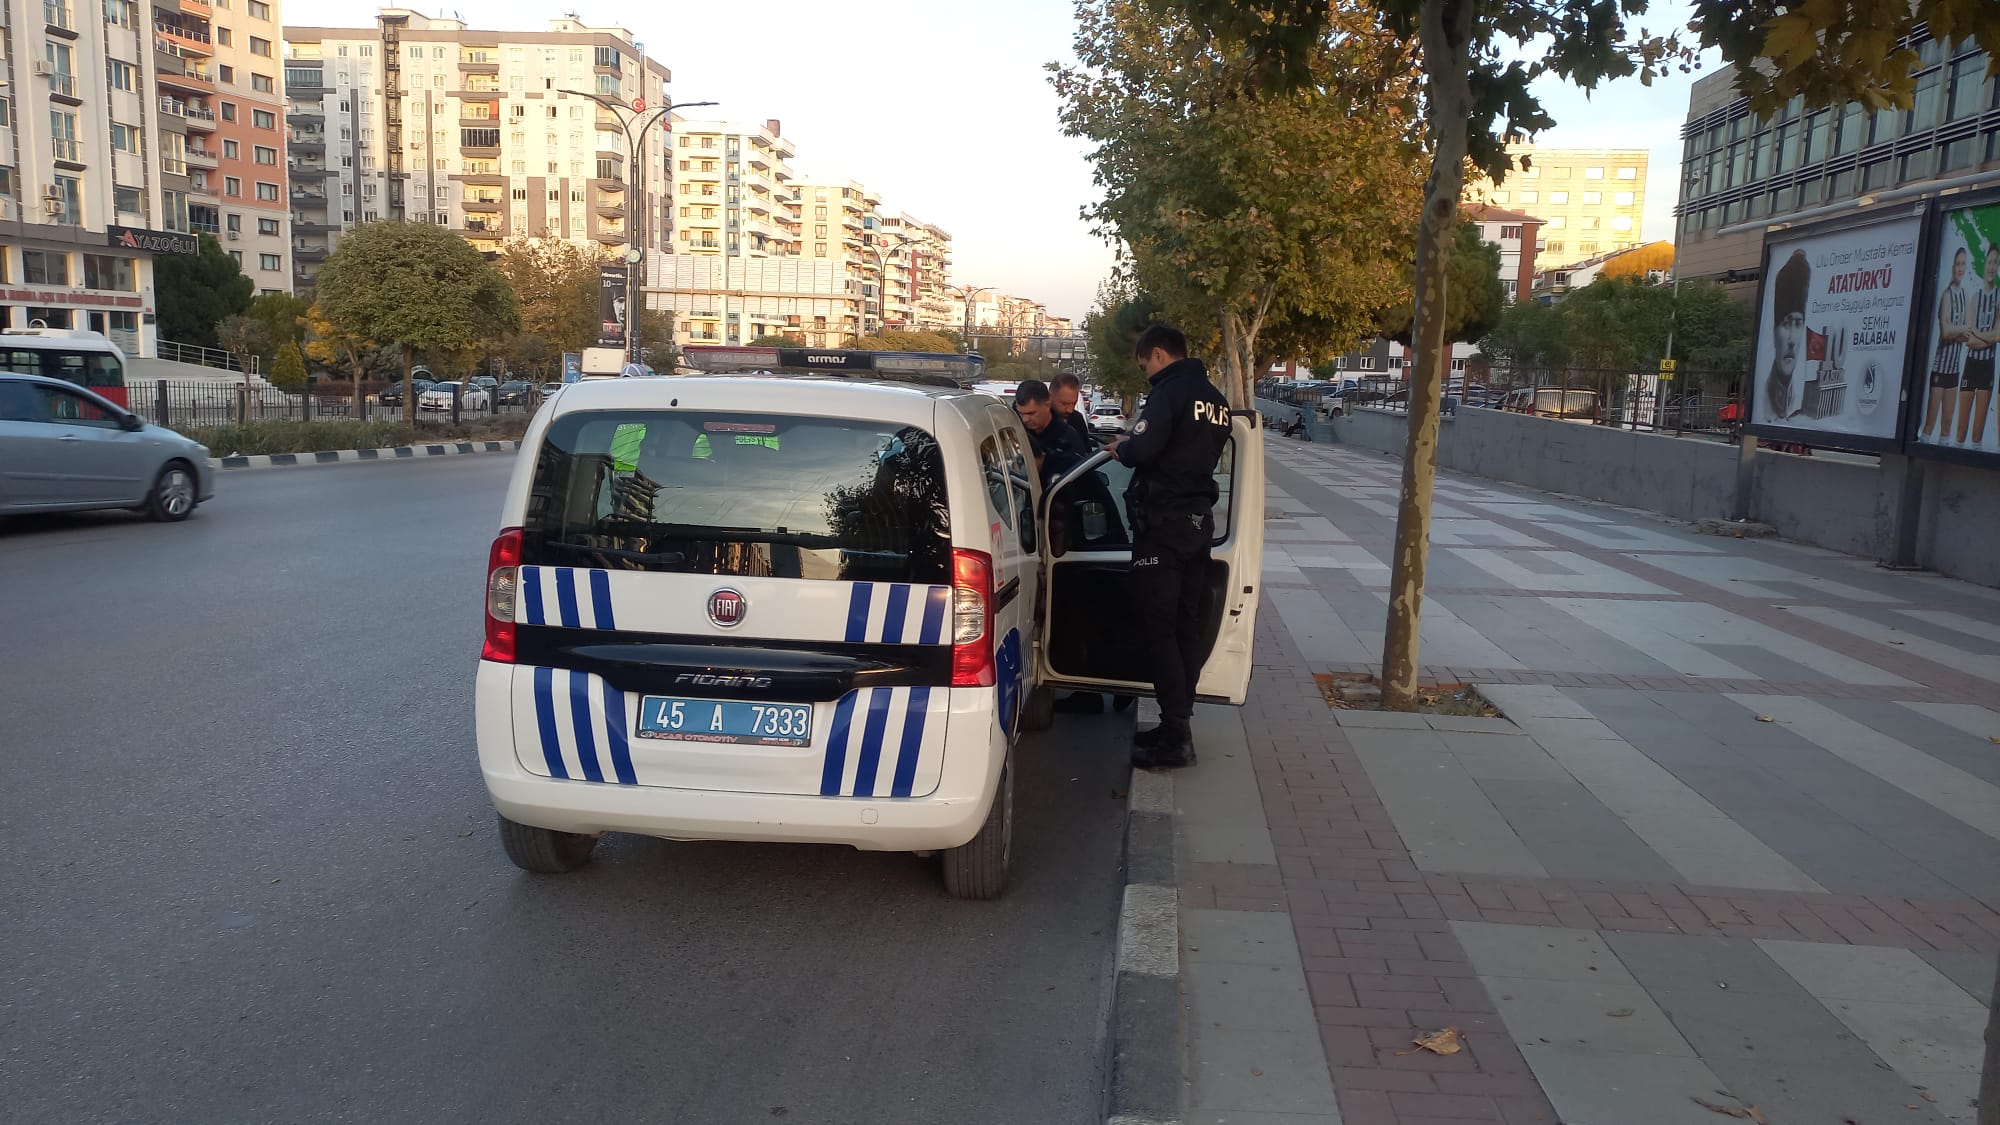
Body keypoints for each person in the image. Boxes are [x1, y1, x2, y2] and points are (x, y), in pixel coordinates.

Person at [1106, 324, 1231, 769]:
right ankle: (1177, 724)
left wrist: (1124, 447)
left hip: (1163, 526)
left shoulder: (1169, 394)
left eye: (1145, 365)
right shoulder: (1215, 401)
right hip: (1197, 525)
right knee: (1184, 629)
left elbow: (1145, 450)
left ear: (1158, 354)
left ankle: (1176, 737)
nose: (1146, 374)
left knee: (1158, 630)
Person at [1923, 247, 1972, 440]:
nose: (1960, 268)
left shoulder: (1965, 296)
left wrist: (1955, 330)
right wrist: (1958, 330)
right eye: (1957, 264)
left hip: (1953, 370)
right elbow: (1945, 331)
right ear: (1953, 267)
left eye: (1963, 264)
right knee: (1930, 422)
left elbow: (1967, 335)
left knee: (1948, 423)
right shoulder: (1946, 295)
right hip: (1939, 369)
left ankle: (1940, 468)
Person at [1954, 244, 1999, 447]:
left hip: (1987, 367)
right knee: (1961, 429)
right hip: (1971, 366)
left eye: (1996, 263)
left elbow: (1998, 336)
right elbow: (1968, 339)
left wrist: (1980, 335)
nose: (1992, 266)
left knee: (1977, 433)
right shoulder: (1974, 298)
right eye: (1989, 262)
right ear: (1984, 265)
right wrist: (1986, 338)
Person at [1051, 372, 1097, 448]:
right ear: (1050, 397)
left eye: (1074, 403)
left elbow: (1086, 452)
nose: (1070, 410)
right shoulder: (1039, 420)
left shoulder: (1077, 418)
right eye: (1064, 404)